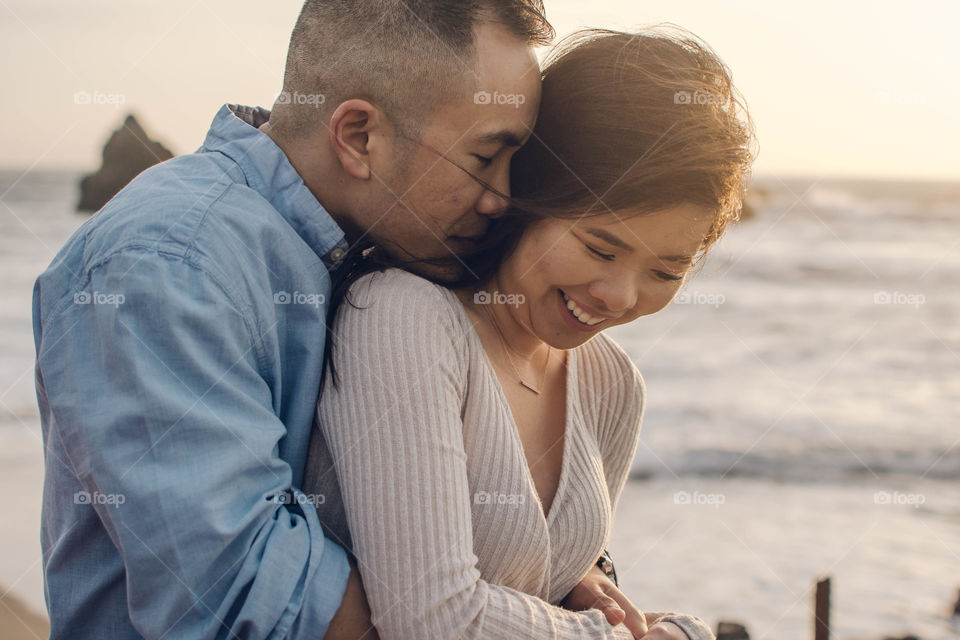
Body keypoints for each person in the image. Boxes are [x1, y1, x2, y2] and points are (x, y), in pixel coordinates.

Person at [32, 2, 567, 638]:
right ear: (360, 138)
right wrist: (465, 609)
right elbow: (247, 597)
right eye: (485, 157)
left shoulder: (374, 242)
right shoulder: (167, 261)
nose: (500, 197)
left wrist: (548, 574)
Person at [304, 27, 754, 640]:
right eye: (600, 248)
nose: (620, 296)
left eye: (665, 271)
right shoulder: (402, 318)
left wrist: (592, 586)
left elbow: (546, 600)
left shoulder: (613, 382)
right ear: (528, 197)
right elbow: (434, 618)